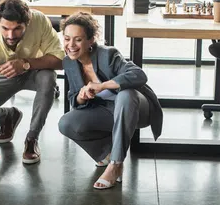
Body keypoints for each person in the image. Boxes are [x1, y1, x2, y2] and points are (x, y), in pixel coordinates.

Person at [58, 12, 163, 189]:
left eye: (78, 39)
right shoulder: (69, 62)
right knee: (66, 123)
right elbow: (73, 100)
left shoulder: (108, 55)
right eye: (67, 39)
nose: (70, 45)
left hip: (137, 109)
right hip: (108, 111)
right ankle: (105, 154)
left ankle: (116, 164)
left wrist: (104, 86)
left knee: (125, 95)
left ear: (91, 41)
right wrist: (81, 96)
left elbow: (139, 75)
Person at [0, 0, 64, 167]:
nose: (11, 35)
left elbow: (60, 61)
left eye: (18, 28)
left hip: (35, 70)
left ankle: (32, 138)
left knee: (48, 77)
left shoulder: (38, 20)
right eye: (5, 28)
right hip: (3, 75)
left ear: (28, 22)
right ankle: (8, 116)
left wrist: (25, 64)